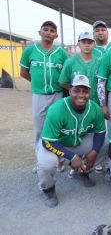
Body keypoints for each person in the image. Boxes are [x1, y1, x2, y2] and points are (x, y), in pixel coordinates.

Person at [36, 75, 108, 207]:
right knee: (46, 164)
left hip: (76, 142)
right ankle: (49, 189)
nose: (81, 95)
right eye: (77, 90)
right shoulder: (57, 109)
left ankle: (81, 171)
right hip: (55, 145)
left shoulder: (95, 108)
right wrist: (72, 157)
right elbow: (48, 141)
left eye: (85, 91)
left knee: (106, 144)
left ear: (90, 92)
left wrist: (94, 151)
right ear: (70, 90)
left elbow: (100, 132)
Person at [20, 21, 68, 172]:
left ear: (56, 35)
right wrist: (37, 84)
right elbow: (23, 72)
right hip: (39, 95)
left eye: (52, 30)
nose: (48, 32)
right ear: (40, 32)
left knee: (58, 129)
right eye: (45, 30)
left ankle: (59, 160)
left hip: (58, 94)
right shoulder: (30, 50)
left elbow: (66, 75)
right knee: (39, 130)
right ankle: (41, 161)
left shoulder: (61, 53)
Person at [59, 31, 100, 103]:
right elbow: (63, 82)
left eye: (90, 42)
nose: (86, 45)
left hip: (96, 102)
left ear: (94, 45)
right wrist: (77, 91)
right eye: (83, 42)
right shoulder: (70, 62)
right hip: (76, 103)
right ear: (78, 44)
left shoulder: (100, 62)